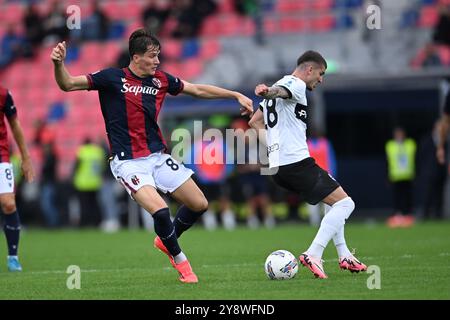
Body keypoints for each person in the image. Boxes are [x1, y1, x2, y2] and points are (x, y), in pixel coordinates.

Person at [51, 28, 253, 283]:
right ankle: (183, 264)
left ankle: (166, 240)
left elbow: (197, 90)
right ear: (136, 57)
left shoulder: (161, 80)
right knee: (160, 211)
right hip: (128, 163)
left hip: (157, 157)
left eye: (158, 56)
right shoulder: (111, 78)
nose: (157, 61)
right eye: (153, 56)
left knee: (199, 204)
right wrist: (59, 64)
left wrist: (234, 94)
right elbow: (67, 84)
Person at [248, 50, 366, 279]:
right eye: (320, 74)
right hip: (296, 163)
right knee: (346, 204)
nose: (321, 79)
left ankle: (344, 255)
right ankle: (313, 253)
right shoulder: (296, 84)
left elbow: (255, 121)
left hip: (280, 166)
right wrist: (268, 91)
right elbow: (279, 92)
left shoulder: (284, 83)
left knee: (333, 201)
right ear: (309, 69)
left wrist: (274, 147)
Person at [0, 85, 35, 271]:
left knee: (8, 203)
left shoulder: (4, 93)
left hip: (1, 156)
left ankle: (13, 256)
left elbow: (15, 124)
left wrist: (26, 158)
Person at [385, 127, 416, 228]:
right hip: (395, 176)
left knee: (407, 197)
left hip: (407, 175)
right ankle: (397, 217)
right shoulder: (390, 145)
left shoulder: (410, 144)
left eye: (401, 134)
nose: (399, 136)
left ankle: (407, 216)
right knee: (397, 198)